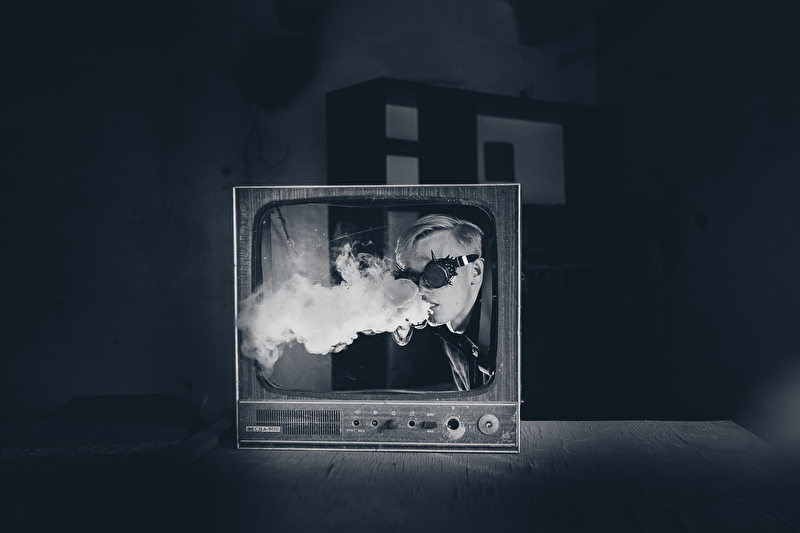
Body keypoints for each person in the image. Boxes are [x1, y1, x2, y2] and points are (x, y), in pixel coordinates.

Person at [392, 214, 492, 391]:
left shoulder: (518, 333)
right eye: (412, 278)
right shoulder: (449, 333)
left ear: (475, 271)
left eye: (435, 274)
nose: (420, 291)